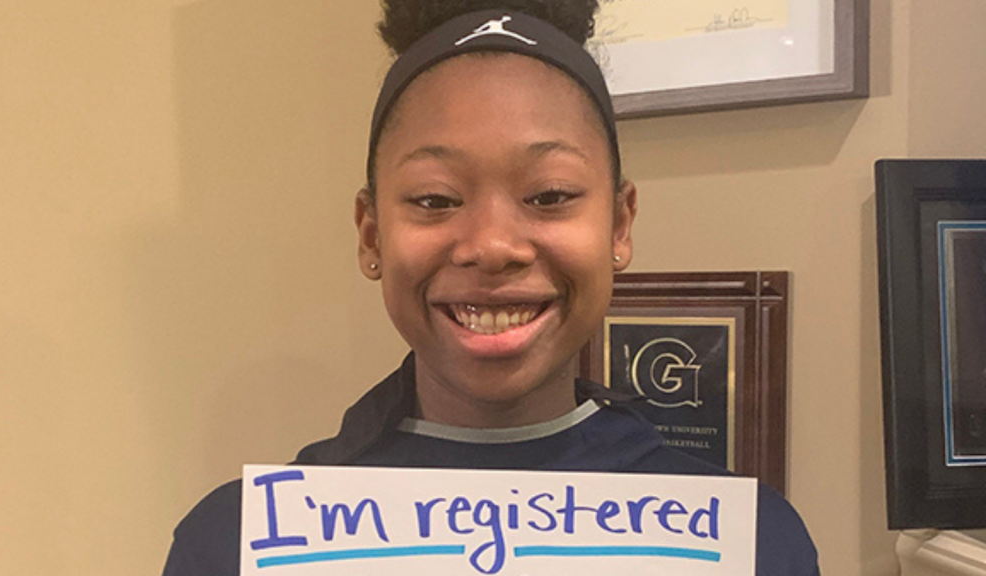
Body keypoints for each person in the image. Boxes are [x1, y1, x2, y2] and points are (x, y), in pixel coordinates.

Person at [161, 1, 820, 575]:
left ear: (619, 224)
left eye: (551, 195)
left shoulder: (753, 546)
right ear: (371, 236)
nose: (492, 246)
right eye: (434, 199)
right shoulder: (234, 547)